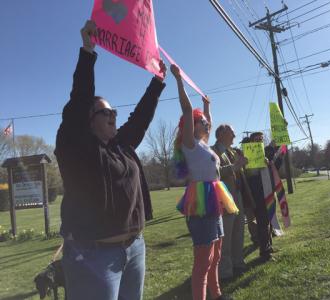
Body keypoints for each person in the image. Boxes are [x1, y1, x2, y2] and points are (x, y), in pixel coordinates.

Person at [54, 20, 167, 300]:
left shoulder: (120, 146)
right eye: (105, 112)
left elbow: (139, 120)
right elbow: (79, 101)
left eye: (114, 111)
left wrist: (157, 82)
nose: (113, 115)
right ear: (88, 121)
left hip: (134, 248)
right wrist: (88, 52)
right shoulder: (77, 147)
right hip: (93, 256)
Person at [171, 64, 237, 300]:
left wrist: (207, 105)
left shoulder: (204, 144)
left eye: (206, 123)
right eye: (202, 122)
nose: (206, 124)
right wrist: (179, 80)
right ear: (190, 125)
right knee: (203, 260)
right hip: (201, 202)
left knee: (216, 254)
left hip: (215, 200)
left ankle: (216, 294)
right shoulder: (189, 144)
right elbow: (188, 110)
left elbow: (205, 117)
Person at [211, 125, 248, 280]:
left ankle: (238, 264)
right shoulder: (213, 151)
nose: (234, 134)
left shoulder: (232, 152)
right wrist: (235, 166)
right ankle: (225, 272)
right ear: (221, 135)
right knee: (226, 236)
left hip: (237, 196)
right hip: (224, 199)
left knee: (239, 232)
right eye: (231, 132)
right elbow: (214, 172)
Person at [244, 132, 274, 261]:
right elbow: (249, 174)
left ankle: (269, 245)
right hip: (257, 194)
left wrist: (266, 163)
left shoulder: (263, 153)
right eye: (257, 139)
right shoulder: (248, 155)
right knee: (262, 222)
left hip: (267, 191)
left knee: (268, 221)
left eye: (261, 139)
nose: (259, 141)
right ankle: (264, 251)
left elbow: (274, 146)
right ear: (251, 141)